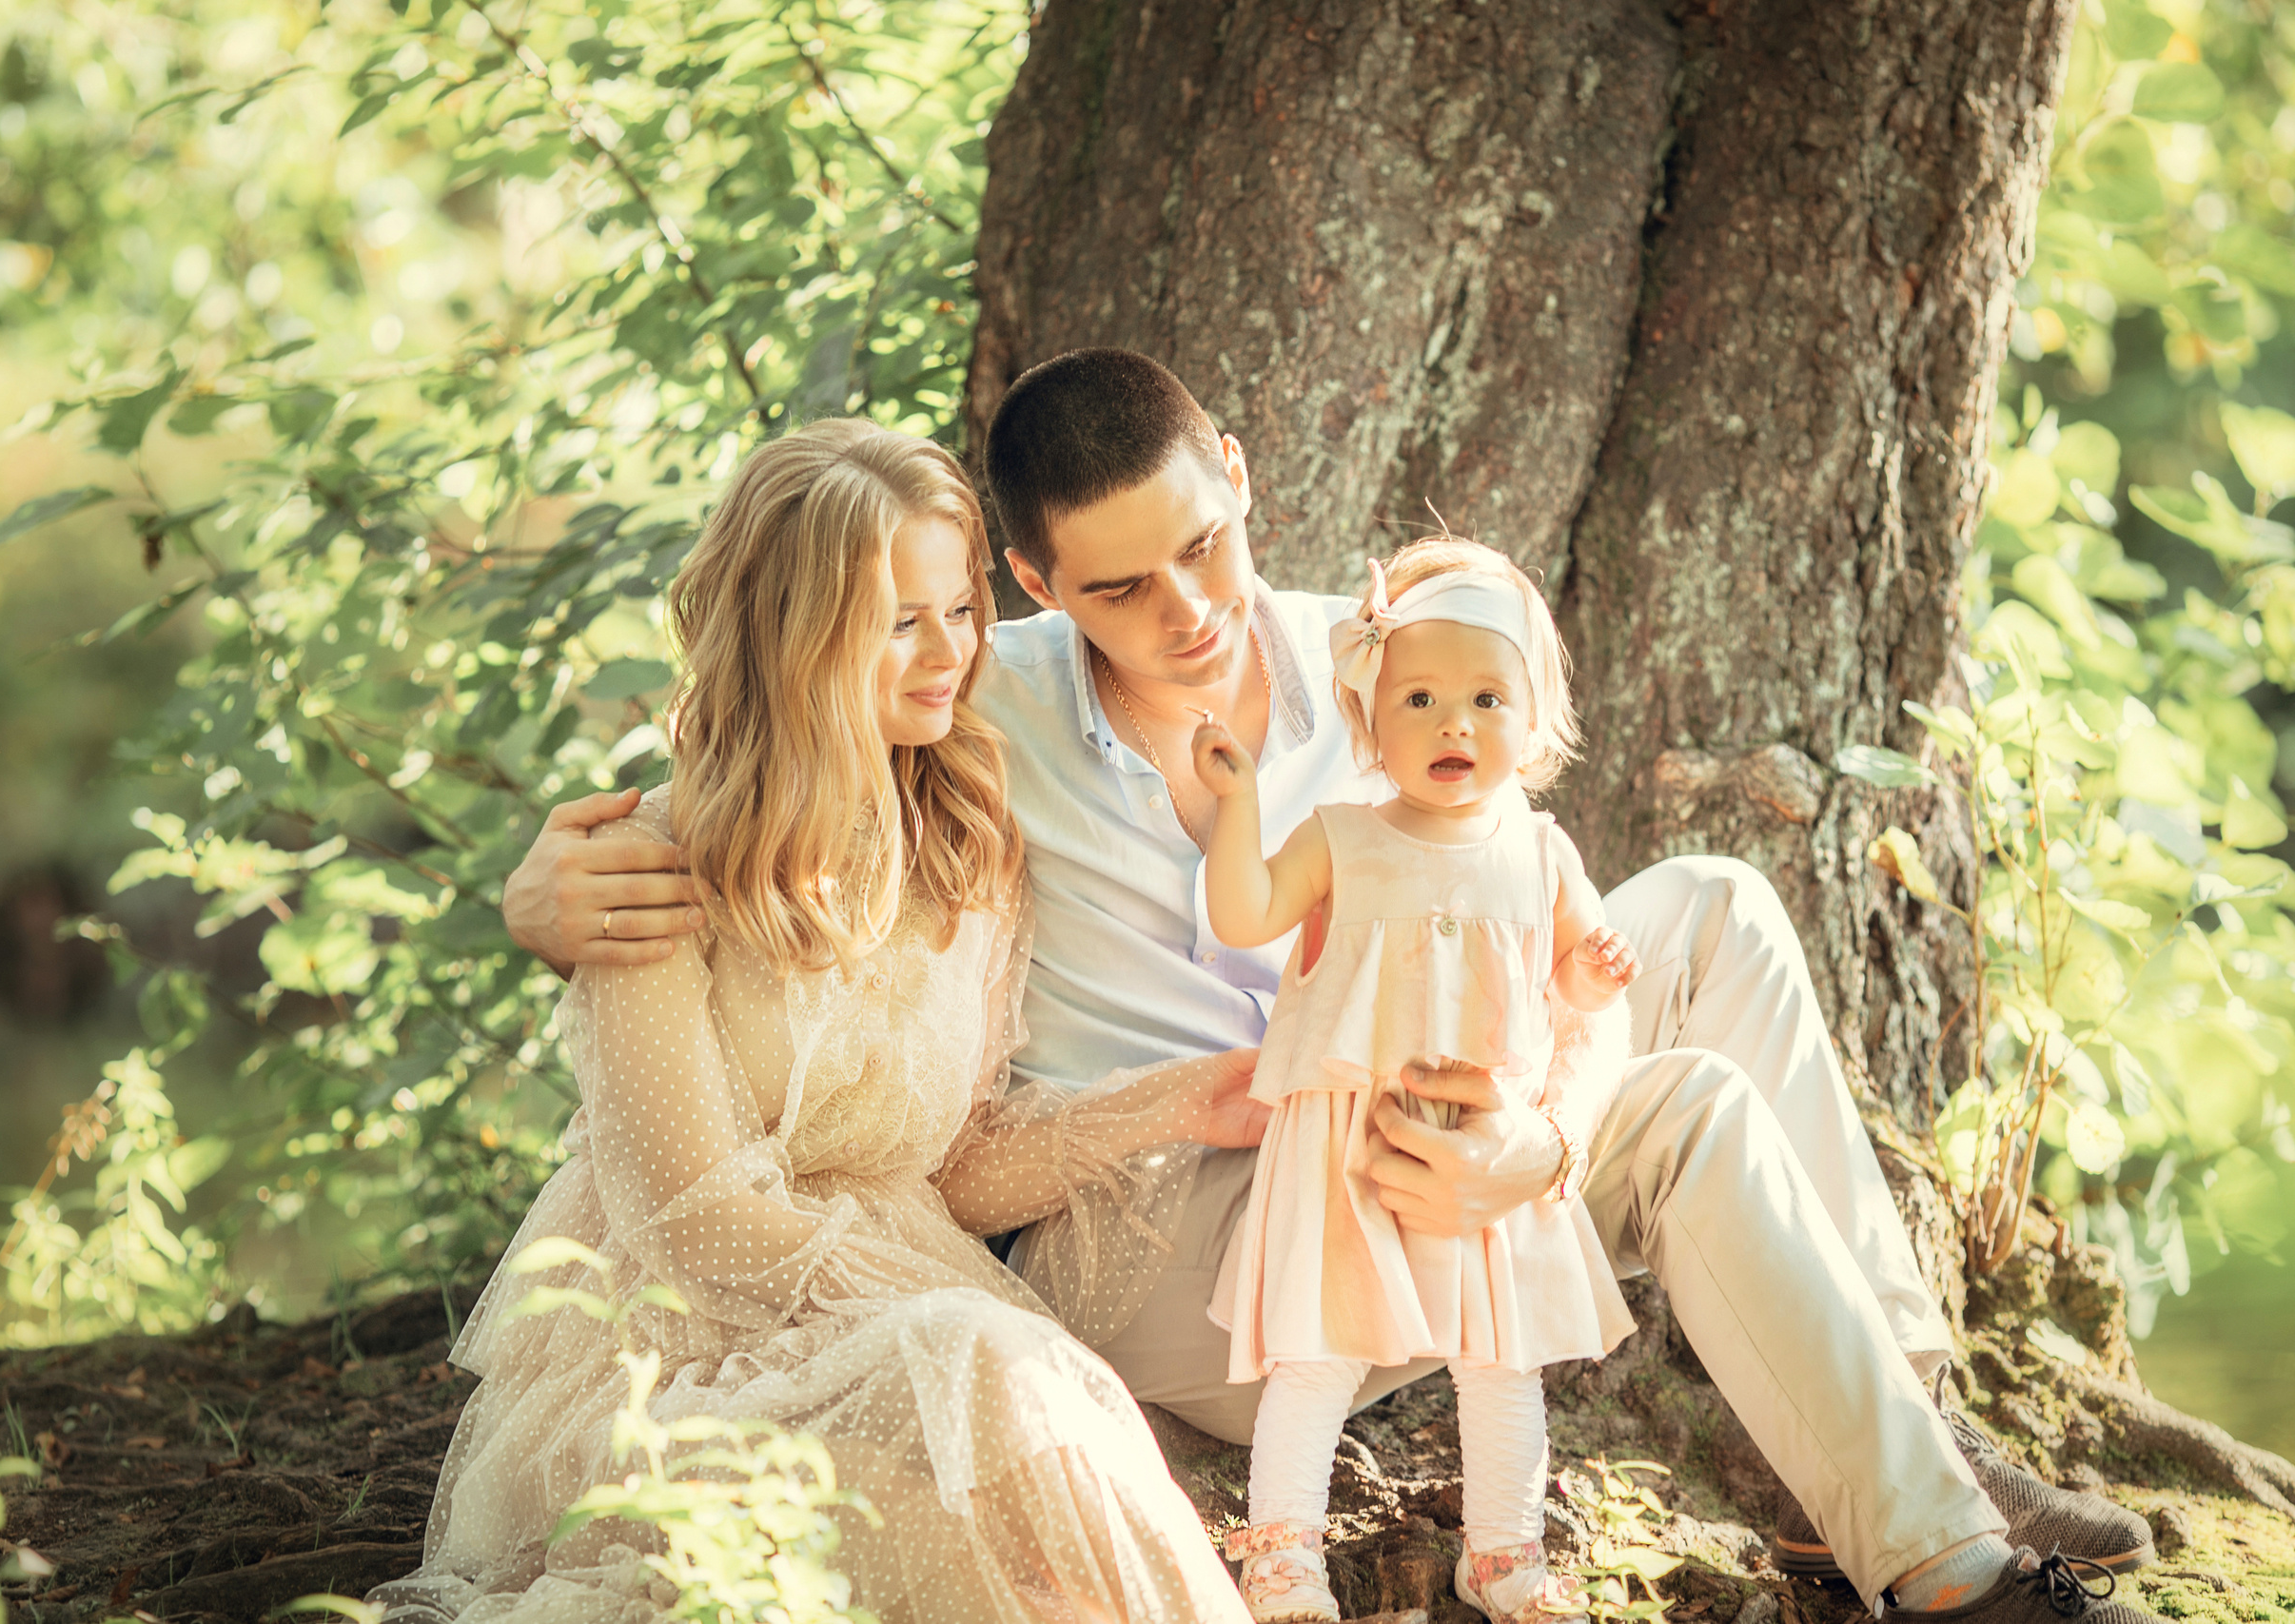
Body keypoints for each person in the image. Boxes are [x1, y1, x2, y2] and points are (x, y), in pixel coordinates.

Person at [504, 350, 2166, 1624]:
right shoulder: (971, 705)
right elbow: (776, 733)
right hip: (1202, 1212)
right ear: (1034, 587)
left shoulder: (1376, 666)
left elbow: (1530, 914)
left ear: (1236, 472)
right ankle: (1938, 1554)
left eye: (1206, 547)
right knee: (1693, 1115)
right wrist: (546, 890)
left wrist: (1540, 1133)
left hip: (1420, 1128)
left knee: (1715, 908)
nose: (1189, 611)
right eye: (1119, 589)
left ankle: (1907, 1434)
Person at [376, 418, 1261, 1623]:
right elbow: (689, 1215)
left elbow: (954, 1167)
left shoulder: (968, 843)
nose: (946, 654)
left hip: (903, 1322)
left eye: (958, 610)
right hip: (678, 1357)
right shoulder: (655, 866)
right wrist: (939, 1320)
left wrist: (1188, 1096)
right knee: (986, 1423)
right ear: (793, 634)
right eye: (899, 623)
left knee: (1039, 1539)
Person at [1193, 539, 1641, 1624]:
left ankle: (1503, 1556)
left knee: (1500, 1364)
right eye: (1422, 698)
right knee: (1318, 1354)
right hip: (1348, 1138)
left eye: (1487, 699)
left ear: (1533, 724)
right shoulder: (1342, 839)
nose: (1454, 724)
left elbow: (1577, 988)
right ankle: (1285, 1554)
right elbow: (1244, 911)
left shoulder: (1540, 854)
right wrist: (1241, 804)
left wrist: (1587, 969)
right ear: (1371, 720)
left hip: (1487, 1135)